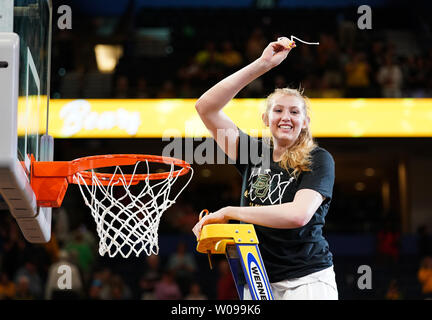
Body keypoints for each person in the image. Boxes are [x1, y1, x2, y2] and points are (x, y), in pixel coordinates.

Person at [192, 37, 338, 300]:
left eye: (294, 112)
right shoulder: (252, 152)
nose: (285, 117)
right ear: (265, 119)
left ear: (305, 122)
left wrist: (228, 212)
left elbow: (298, 215)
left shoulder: (319, 158)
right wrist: (262, 65)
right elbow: (206, 107)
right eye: (278, 110)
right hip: (258, 279)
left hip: (307, 279)